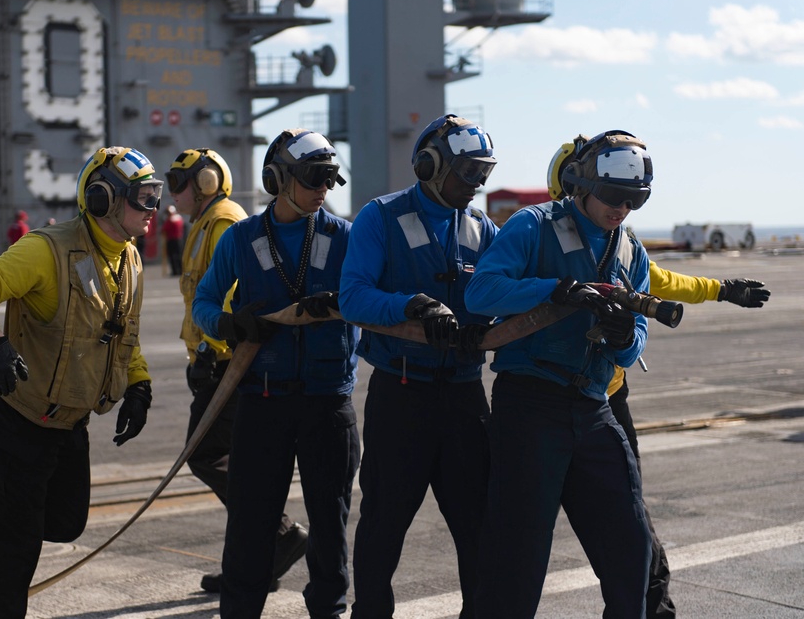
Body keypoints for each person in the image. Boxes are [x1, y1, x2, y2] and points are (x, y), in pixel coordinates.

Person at [0, 146, 162, 618]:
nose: (153, 209)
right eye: (143, 198)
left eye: (154, 196)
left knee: (64, 522)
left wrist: (138, 386)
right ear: (103, 199)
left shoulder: (129, 260)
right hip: (19, 413)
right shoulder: (46, 250)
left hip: (69, 419)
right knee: (16, 540)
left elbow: (126, 335)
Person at [540, 138, 773, 619]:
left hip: (604, 401)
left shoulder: (617, 246)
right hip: (543, 404)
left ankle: (652, 609)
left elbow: (660, 281)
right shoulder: (539, 238)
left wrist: (722, 289)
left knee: (631, 524)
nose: (618, 205)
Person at [465, 130, 656, 618]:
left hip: (593, 409)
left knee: (631, 550)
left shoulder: (631, 251)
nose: (622, 210)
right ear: (584, 183)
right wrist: (557, 290)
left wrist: (620, 336)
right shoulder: (534, 225)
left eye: (634, 201)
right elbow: (481, 292)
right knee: (518, 561)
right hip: (531, 406)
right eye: (614, 197)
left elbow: (633, 346)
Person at [192, 129, 360, 619]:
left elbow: (371, 305)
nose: (323, 191)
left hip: (328, 405)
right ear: (277, 178)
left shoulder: (344, 237)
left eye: (329, 180)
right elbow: (204, 301)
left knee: (330, 524)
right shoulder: (242, 239)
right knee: (250, 523)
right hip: (262, 403)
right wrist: (225, 323)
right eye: (313, 179)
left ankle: (329, 610)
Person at [338, 114, 498, 619]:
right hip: (402, 395)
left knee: (479, 529)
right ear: (429, 166)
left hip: (465, 399)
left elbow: (501, 298)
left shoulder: (481, 228)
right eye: (467, 172)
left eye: (483, 173)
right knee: (384, 522)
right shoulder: (380, 218)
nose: (477, 185)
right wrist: (412, 306)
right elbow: (353, 298)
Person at [166, 147, 311, 594]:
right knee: (224, 460)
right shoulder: (203, 224)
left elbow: (234, 291)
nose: (172, 193)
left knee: (212, 458)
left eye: (179, 182)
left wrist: (212, 350)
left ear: (206, 182)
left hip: (228, 362)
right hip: (215, 359)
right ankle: (258, 559)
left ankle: (278, 536)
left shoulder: (224, 220)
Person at [161, 203, 185, 276]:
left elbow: (164, 229)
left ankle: (175, 270)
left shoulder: (170, 220)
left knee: (172, 256)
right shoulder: (179, 218)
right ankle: (180, 270)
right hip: (179, 239)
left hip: (171, 240)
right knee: (179, 255)